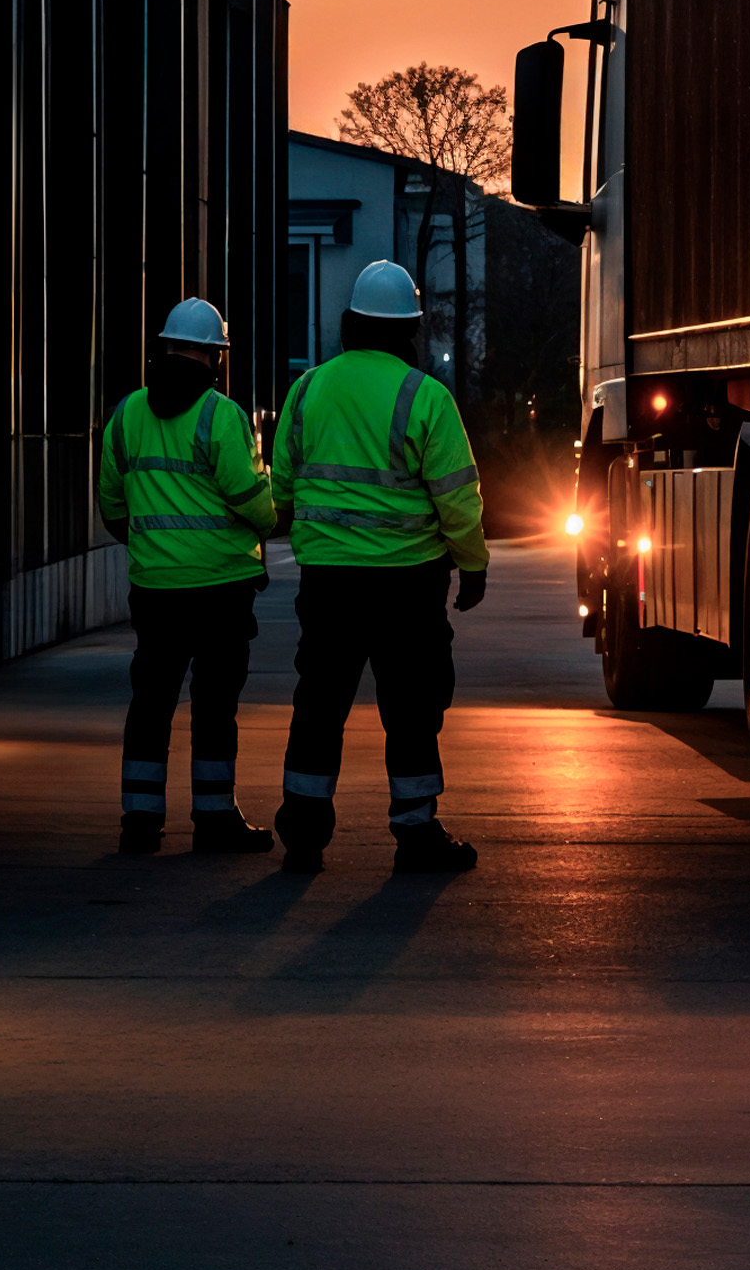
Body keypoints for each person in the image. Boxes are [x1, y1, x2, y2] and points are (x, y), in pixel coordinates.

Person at [270, 258, 489, 875]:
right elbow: (457, 497)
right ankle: (416, 834)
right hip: (408, 583)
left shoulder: (307, 389)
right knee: (413, 709)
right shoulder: (426, 396)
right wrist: (472, 566)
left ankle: (304, 834)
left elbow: (282, 484)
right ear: (410, 329)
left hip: (328, 580)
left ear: (349, 324)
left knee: (319, 704)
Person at [98, 298, 279, 857]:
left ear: (166, 347)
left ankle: (140, 821)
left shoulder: (127, 414)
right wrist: (273, 509)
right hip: (221, 588)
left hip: (155, 589)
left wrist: (155, 548)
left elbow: (112, 506)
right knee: (215, 707)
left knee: (150, 703)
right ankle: (214, 819)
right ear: (214, 356)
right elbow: (253, 502)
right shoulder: (219, 415)